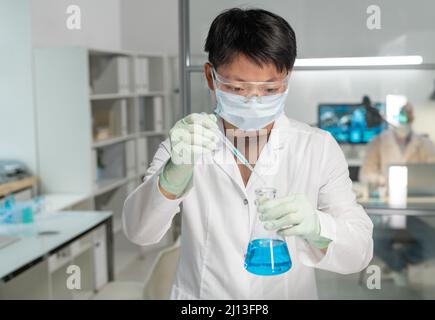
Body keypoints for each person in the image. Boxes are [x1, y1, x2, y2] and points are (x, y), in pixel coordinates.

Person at [123, 8, 373, 299]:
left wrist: (317, 226)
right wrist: (172, 176)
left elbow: (359, 252)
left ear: (287, 79)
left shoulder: (317, 147)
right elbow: (139, 232)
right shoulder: (185, 146)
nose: (253, 101)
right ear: (210, 76)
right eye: (237, 87)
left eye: (269, 89)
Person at [360, 102, 435, 286]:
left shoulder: (425, 144)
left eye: (406, 116)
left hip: (418, 213)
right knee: (372, 241)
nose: (403, 120)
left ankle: (396, 263)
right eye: (400, 116)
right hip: (387, 212)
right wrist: (383, 180)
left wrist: (428, 181)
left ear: (412, 118)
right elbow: (365, 174)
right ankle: (397, 265)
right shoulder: (379, 142)